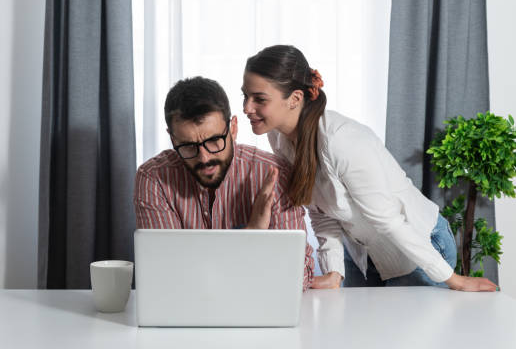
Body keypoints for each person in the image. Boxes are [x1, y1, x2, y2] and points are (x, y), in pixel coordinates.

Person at [241, 44, 498, 292]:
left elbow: (388, 221)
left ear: (295, 99)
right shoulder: (278, 136)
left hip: (418, 250)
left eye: (259, 99)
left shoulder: (341, 140)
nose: (246, 108)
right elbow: (320, 211)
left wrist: (455, 280)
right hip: (364, 255)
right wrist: (333, 272)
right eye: (245, 96)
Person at [134, 76, 315, 289]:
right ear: (173, 139)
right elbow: (163, 275)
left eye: (213, 141)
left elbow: (299, 276)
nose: (204, 158)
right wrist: (251, 236)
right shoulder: (153, 178)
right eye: (188, 146)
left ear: (233, 129)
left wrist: (197, 266)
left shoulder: (275, 174)